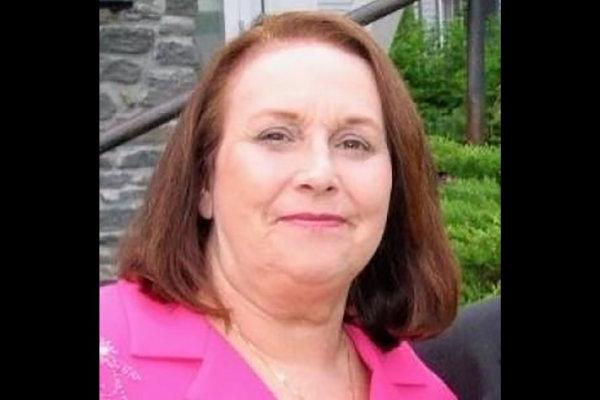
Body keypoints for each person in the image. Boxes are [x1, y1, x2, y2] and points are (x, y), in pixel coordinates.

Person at [100, 11, 460, 400]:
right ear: (204, 180)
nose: (320, 173)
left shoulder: (424, 391)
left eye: (354, 143)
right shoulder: (108, 356)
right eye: (276, 135)